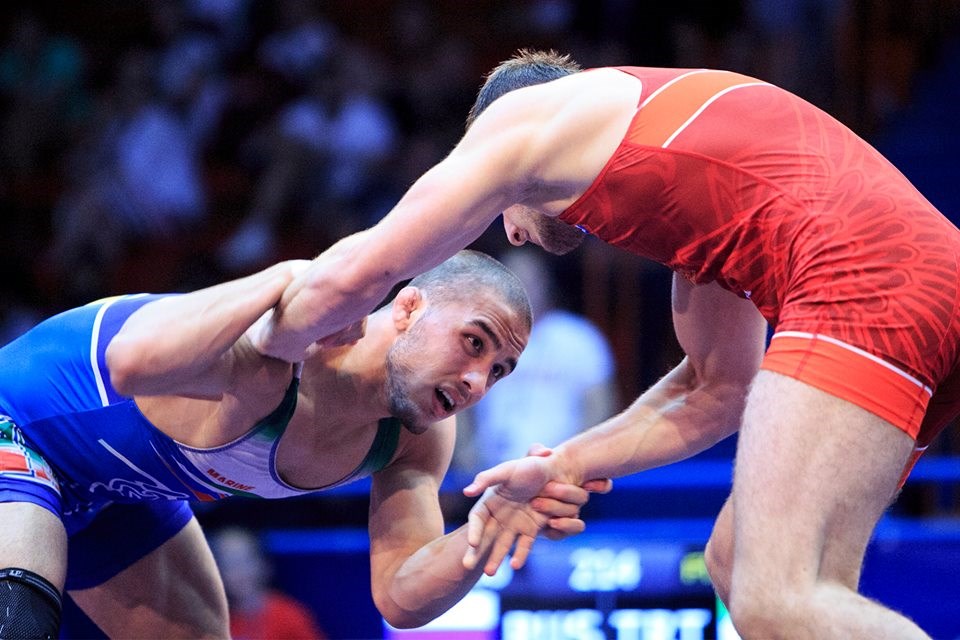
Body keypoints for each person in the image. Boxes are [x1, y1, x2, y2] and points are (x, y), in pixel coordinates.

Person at [249, 50, 960, 638]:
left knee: (778, 596)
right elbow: (717, 390)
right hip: (926, 284)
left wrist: (264, 347)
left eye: (504, 210)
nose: (512, 231)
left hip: (868, 281)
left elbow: (368, 266)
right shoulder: (686, 182)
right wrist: (564, 464)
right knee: (739, 566)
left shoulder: (524, 118)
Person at [0, 249, 604, 638]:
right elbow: (129, 363)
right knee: (19, 619)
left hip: (121, 493)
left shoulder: (416, 436)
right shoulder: (293, 340)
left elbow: (401, 596)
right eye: (474, 343)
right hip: (21, 428)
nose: (477, 382)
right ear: (408, 307)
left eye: (499, 370)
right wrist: (285, 277)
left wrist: (484, 528)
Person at [455, 246, 617, 474]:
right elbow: (457, 394)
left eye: (530, 280)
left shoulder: (579, 337)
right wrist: (464, 449)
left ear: (545, 283)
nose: (523, 289)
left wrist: (576, 461)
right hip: (488, 470)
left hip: (560, 470)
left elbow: (600, 406)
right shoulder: (480, 338)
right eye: (514, 282)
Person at [208, 527, 327, 640]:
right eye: (229, 564)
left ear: (264, 564)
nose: (239, 572)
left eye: (245, 562)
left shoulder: (289, 617)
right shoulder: (212, 622)